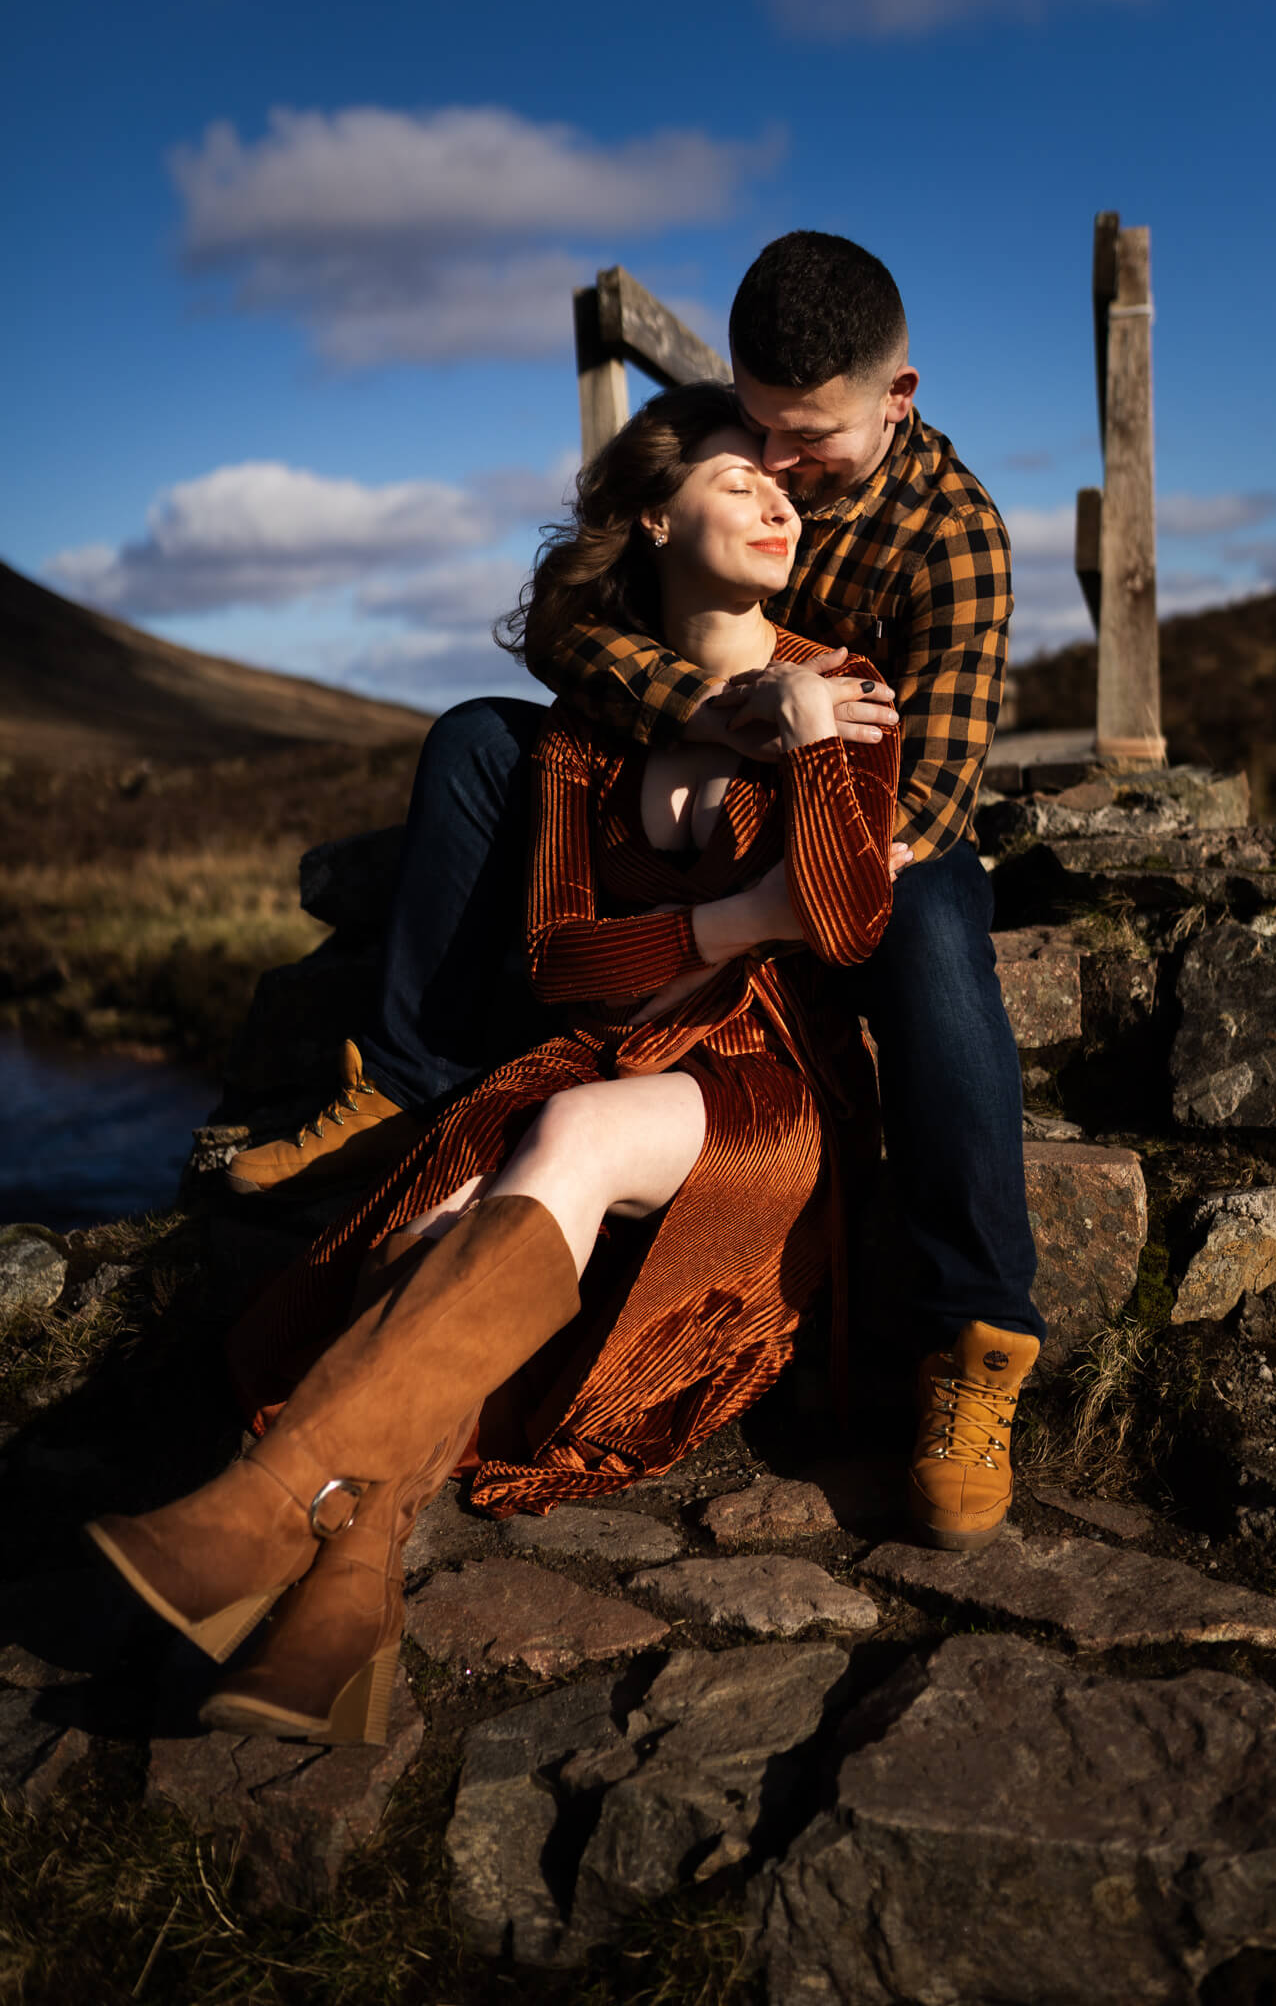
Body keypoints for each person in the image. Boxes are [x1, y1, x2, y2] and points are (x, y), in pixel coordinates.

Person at [87, 382, 942, 1748]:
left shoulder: (844, 685)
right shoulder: (583, 732)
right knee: (424, 1221)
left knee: (572, 1141)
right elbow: (556, 961)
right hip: (592, 1055)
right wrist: (728, 917)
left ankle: (263, 1505)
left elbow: (840, 923)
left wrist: (792, 729)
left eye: (781, 485)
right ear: (657, 517)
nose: (778, 499)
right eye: (736, 483)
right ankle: (347, 1598)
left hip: (760, 1085)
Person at [226, 230, 1046, 1553]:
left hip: (839, 849)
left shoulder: (948, 537)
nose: (778, 468)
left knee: (942, 901)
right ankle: (401, 1084)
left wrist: (806, 815)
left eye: (809, 441)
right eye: (756, 435)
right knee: (481, 739)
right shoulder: (714, 447)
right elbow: (572, 621)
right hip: (670, 777)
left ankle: (974, 1334)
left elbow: (932, 795)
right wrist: (721, 714)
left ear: (896, 397)